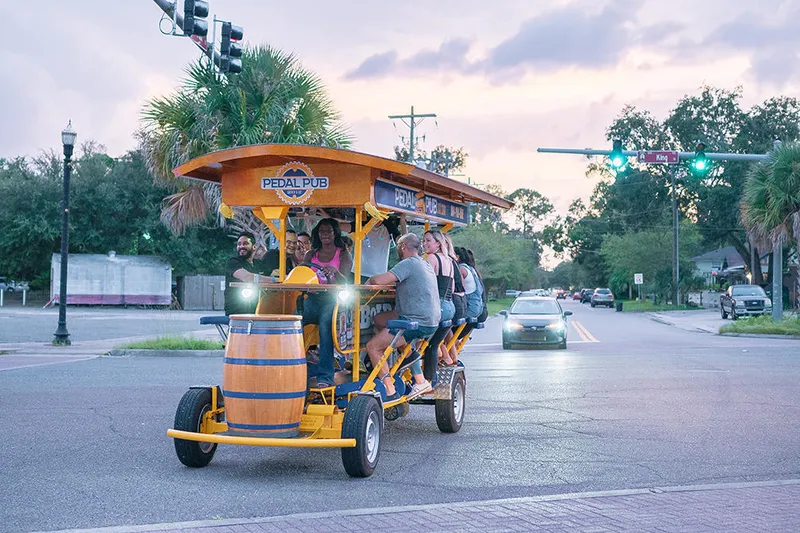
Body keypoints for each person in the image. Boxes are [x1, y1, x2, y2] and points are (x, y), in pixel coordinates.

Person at [365, 233, 440, 400]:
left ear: (403, 247)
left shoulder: (408, 263)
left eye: (399, 246)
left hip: (415, 321)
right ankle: (412, 364)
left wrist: (370, 279)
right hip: (430, 320)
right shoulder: (424, 263)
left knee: (372, 346)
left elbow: (379, 281)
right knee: (379, 320)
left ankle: (390, 390)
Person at [301, 219, 353, 388]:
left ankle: (325, 377)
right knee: (294, 320)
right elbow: (301, 272)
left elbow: (346, 281)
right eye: (321, 231)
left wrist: (335, 272)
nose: (324, 234)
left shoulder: (343, 254)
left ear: (335, 233)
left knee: (325, 327)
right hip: (313, 298)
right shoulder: (311, 254)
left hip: (333, 300)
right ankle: (293, 367)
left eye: (328, 231)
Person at [422, 230, 457, 364]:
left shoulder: (431, 258)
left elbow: (423, 282)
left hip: (437, 307)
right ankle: (442, 362)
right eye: (423, 240)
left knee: (415, 338)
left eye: (428, 240)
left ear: (438, 243)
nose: (425, 243)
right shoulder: (449, 260)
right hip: (449, 306)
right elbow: (452, 287)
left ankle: (422, 376)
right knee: (433, 344)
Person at [224, 232, 274, 316]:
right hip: (237, 312)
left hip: (258, 311)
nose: (241, 246)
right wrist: (274, 280)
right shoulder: (233, 262)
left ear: (254, 246)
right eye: (239, 244)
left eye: (245, 243)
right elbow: (248, 277)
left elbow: (273, 273)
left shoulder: (258, 264)